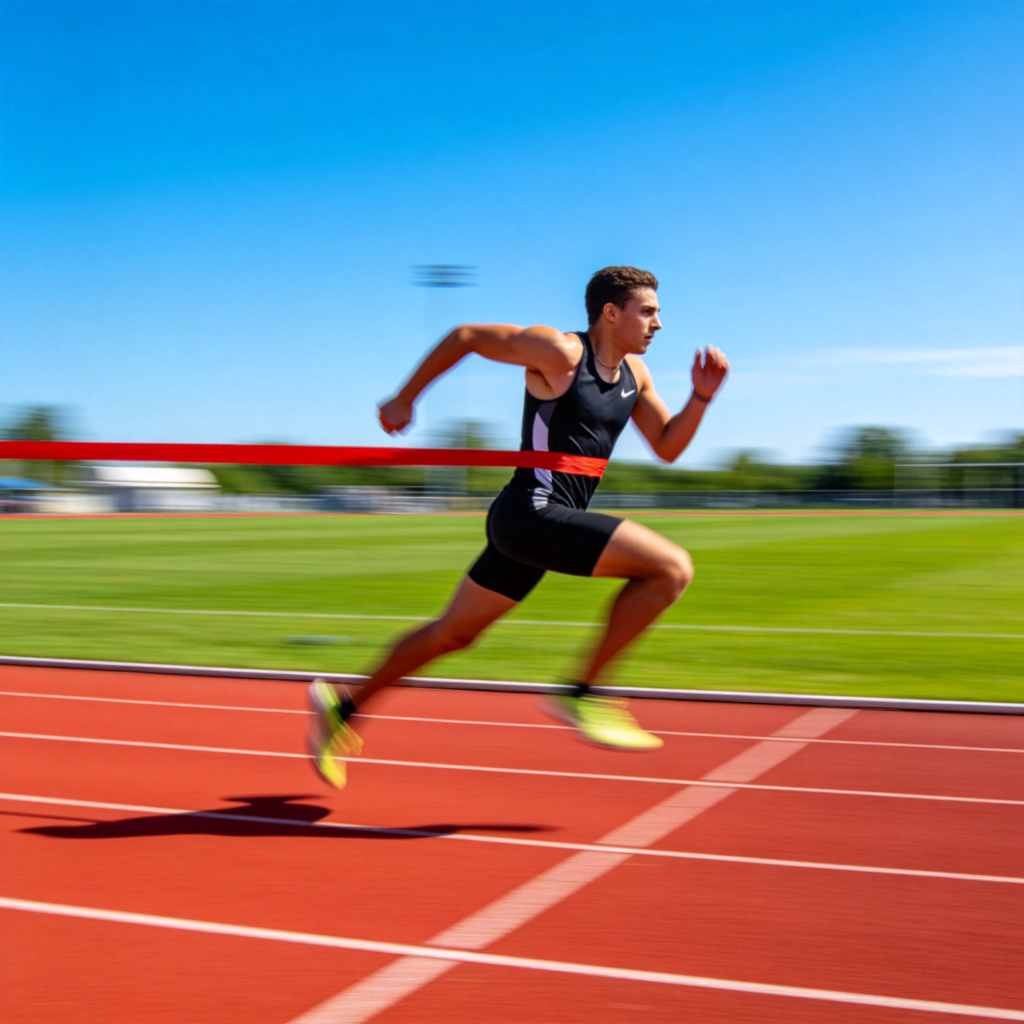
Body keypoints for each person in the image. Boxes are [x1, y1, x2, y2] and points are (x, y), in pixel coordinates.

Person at [307, 266, 729, 788]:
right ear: (610, 313)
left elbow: (666, 445)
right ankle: (582, 693)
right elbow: (466, 336)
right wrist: (405, 397)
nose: (658, 324)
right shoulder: (560, 353)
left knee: (452, 634)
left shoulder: (635, 377)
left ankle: (344, 709)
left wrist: (702, 397)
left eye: (658, 313)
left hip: (538, 527)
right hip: (531, 512)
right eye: (648, 312)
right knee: (670, 569)